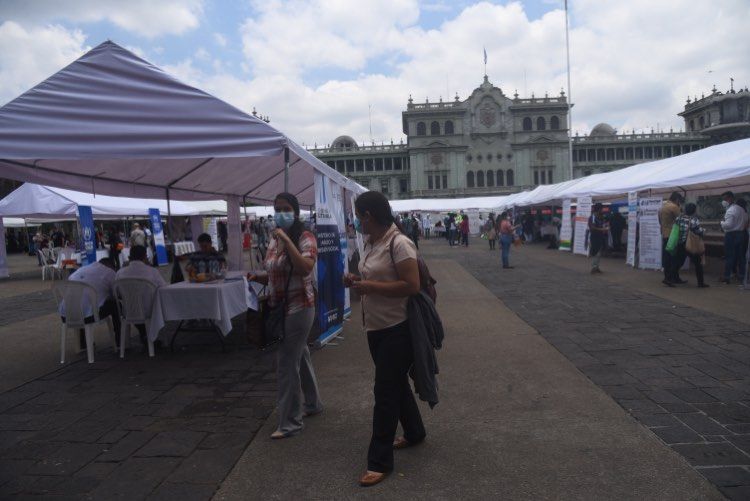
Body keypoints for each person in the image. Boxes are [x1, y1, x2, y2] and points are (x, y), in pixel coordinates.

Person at [343, 191, 425, 488]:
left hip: (397, 328)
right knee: (395, 383)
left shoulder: (399, 242)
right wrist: (356, 281)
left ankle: (379, 461)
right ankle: (415, 432)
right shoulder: (371, 242)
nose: (356, 221)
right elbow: (374, 278)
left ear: (368, 216)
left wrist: (369, 286)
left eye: (358, 215)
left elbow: (412, 286)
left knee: (385, 392)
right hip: (375, 328)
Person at [249, 193, 322, 439]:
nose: (281, 212)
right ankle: (312, 404)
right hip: (279, 306)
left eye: (286, 208)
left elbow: (304, 268)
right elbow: (275, 270)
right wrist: (258, 276)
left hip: (300, 306)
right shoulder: (273, 239)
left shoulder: (305, 237)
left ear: (296, 211)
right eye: (277, 208)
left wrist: (286, 241)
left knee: (286, 364)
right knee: (299, 356)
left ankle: (290, 422)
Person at [62, 257, 121, 350]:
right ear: (111, 266)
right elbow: (117, 294)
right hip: (87, 316)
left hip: (66, 314)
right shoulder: (110, 272)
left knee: (82, 304)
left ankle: (83, 342)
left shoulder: (82, 269)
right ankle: (120, 340)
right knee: (115, 305)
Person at [116, 245, 167, 350]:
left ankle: (145, 334)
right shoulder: (152, 271)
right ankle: (150, 336)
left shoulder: (120, 272)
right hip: (150, 311)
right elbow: (163, 288)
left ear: (130, 257)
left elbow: (116, 293)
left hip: (128, 311)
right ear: (145, 256)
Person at [676, 204, 709, 288]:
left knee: (678, 261)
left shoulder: (679, 218)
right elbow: (697, 230)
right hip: (690, 244)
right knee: (698, 263)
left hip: (680, 242)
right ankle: (700, 283)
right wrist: (704, 231)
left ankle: (670, 277)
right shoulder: (694, 220)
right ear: (694, 211)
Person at [720, 191, 749, 284]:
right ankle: (742, 276)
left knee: (730, 256)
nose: (723, 201)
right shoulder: (742, 210)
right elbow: (745, 223)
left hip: (731, 235)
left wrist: (721, 223)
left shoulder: (731, 210)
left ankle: (727, 277)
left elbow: (728, 225)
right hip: (741, 234)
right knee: (741, 257)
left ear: (731, 198)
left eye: (725, 199)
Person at [659, 191, 684, 286]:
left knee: (667, 257)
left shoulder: (662, 207)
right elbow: (680, 220)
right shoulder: (674, 207)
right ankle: (671, 278)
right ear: (677, 199)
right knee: (675, 258)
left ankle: (670, 277)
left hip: (665, 234)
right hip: (673, 236)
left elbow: (659, 221)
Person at [588, 203, 609, 274]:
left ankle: (596, 267)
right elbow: (592, 227)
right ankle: (594, 267)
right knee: (596, 252)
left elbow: (603, 224)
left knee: (599, 252)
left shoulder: (600, 216)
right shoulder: (593, 217)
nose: (602, 210)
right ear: (598, 209)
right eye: (601, 209)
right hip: (595, 236)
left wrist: (605, 226)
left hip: (600, 236)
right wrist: (602, 229)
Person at [735, 198, 749, 281]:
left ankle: (734, 272)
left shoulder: (735, 212)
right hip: (744, 234)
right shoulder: (746, 213)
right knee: (742, 255)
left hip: (736, 234)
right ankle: (742, 273)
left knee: (735, 255)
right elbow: (747, 225)